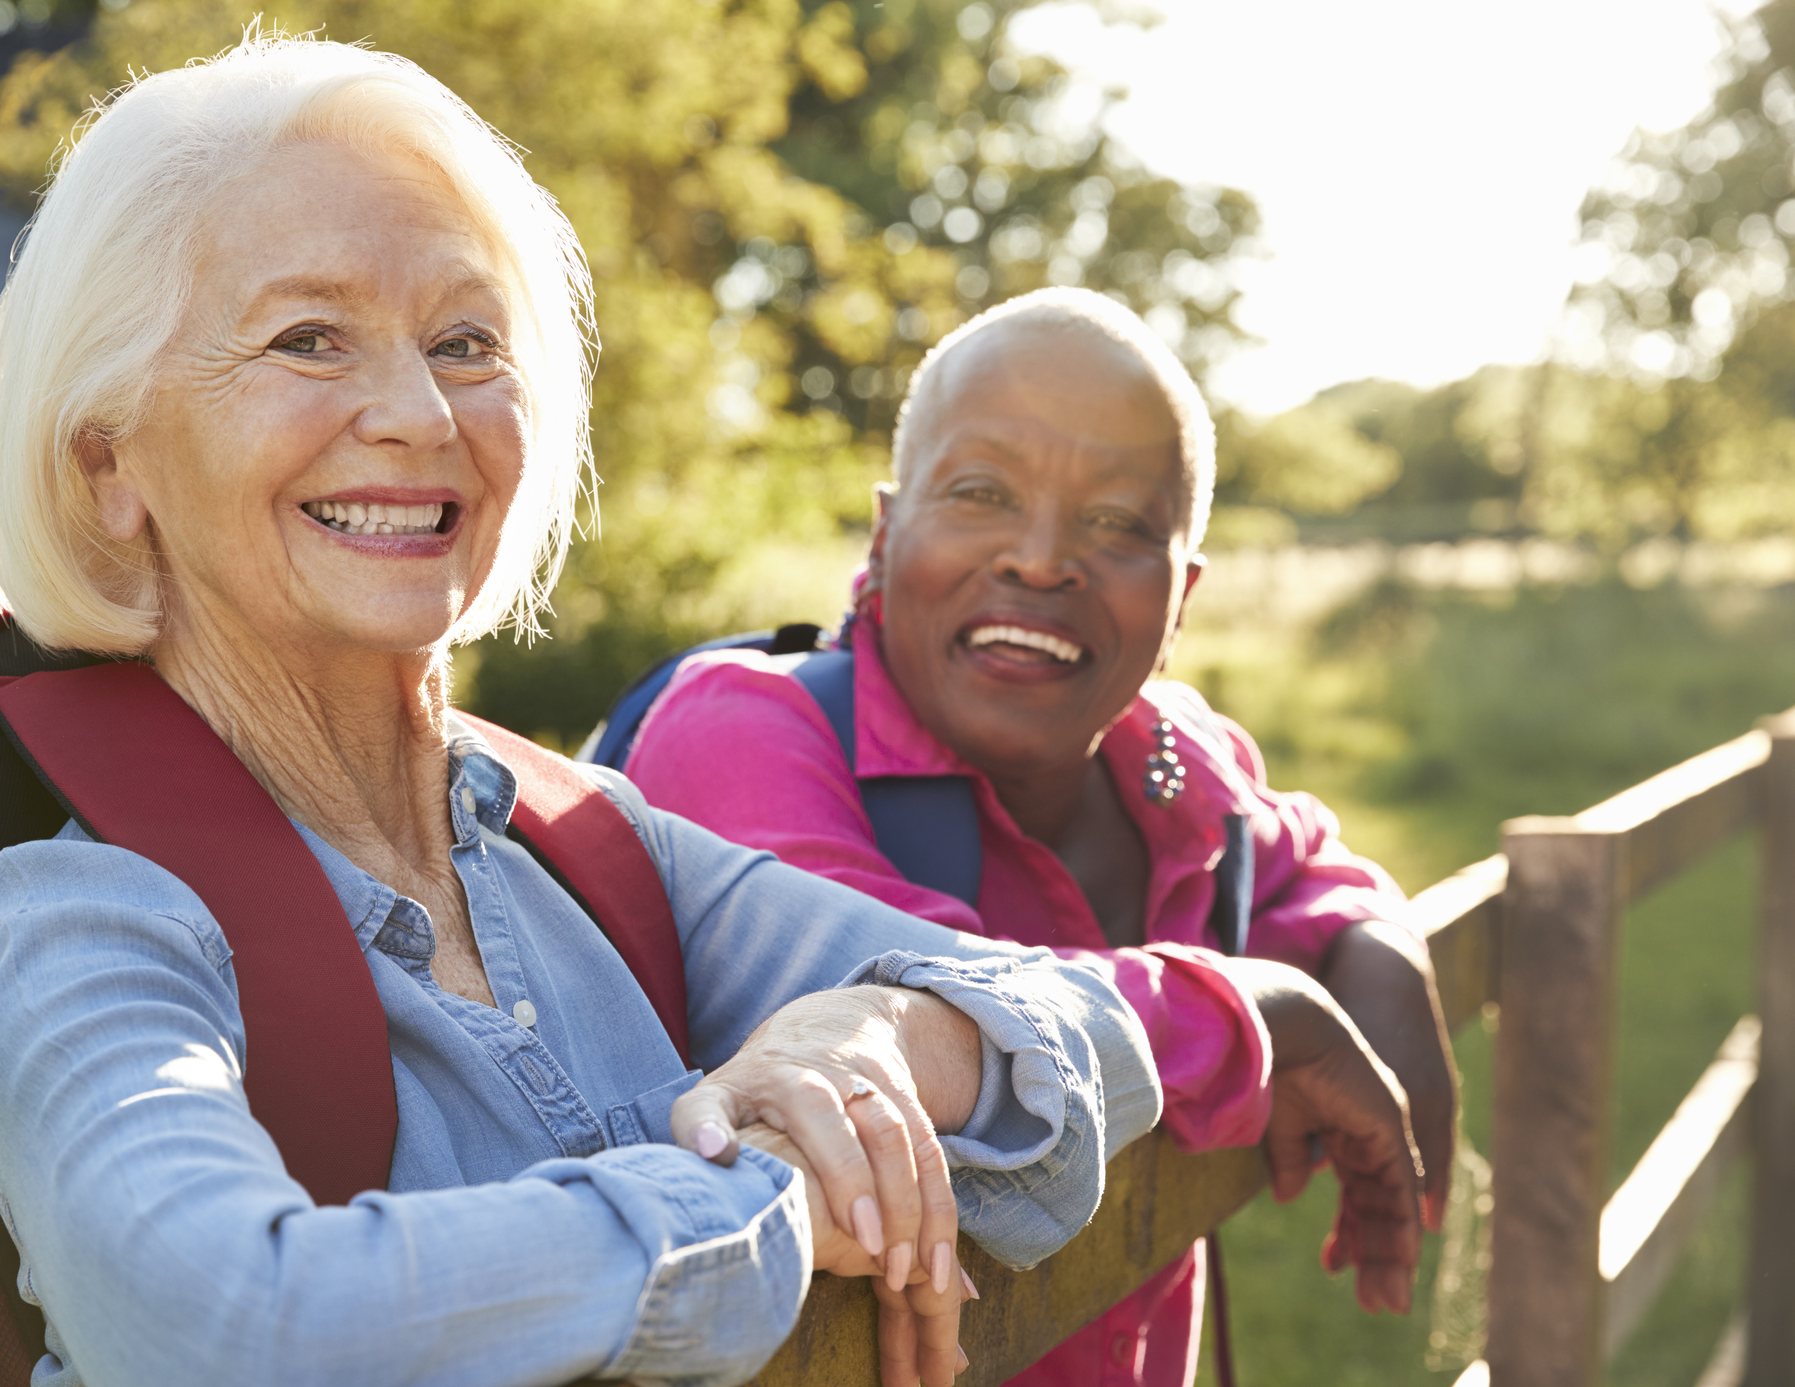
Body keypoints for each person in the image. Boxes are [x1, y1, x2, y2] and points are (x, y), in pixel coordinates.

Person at [0, 42, 1165, 1387]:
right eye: (308, 338)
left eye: (464, 341)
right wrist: (777, 1202)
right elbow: (231, 1324)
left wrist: (860, 1043)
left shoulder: (592, 844)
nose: (417, 411)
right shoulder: (80, 921)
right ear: (107, 466)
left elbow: (1089, 1028)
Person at [624, 288, 1457, 1387]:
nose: (1043, 557)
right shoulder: (742, 733)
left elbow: (1303, 865)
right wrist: (1269, 1011)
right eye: (980, 492)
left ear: (1183, 595)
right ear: (887, 528)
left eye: (1118, 521)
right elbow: (938, 1025)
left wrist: (1381, 953)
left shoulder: (1174, 767)